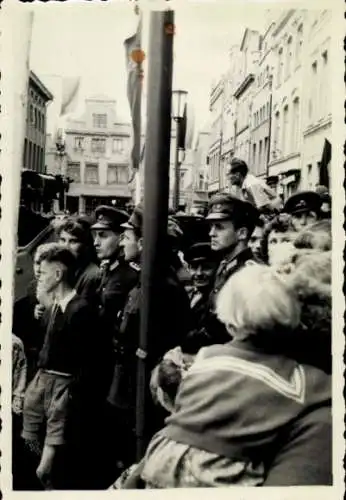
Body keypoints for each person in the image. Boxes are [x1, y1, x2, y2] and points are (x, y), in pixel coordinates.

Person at [120, 264, 330, 488]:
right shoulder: (297, 379)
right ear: (292, 321)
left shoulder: (205, 358)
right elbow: (323, 391)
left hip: (164, 459)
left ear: (229, 324)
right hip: (215, 473)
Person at [105, 205, 193, 471]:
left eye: (127, 237)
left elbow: (160, 340)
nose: (122, 241)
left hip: (142, 386)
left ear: (143, 242)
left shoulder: (160, 285)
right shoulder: (147, 279)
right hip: (129, 382)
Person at [21, 244, 99, 489]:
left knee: (55, 438)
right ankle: (36, 468)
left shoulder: (80, 309)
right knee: (29, 433)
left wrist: (70, 392)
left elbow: (81, 355)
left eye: (43, 273)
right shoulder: (50, 306)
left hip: (63, 383)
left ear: (58, 275)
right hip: (42, 379)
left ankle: (48, 477)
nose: (38, 277)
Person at [205, 193, 260, 343]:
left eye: (219, 227)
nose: (211, 233)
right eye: (211, 227)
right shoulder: (225, 264)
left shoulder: (250, 272)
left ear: (242, 233)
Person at [56, 216, 101, 305]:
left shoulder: (92, 275)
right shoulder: (62, 267)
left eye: (73, 241)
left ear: (85, 245)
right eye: (62, 240)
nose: (66, 246)